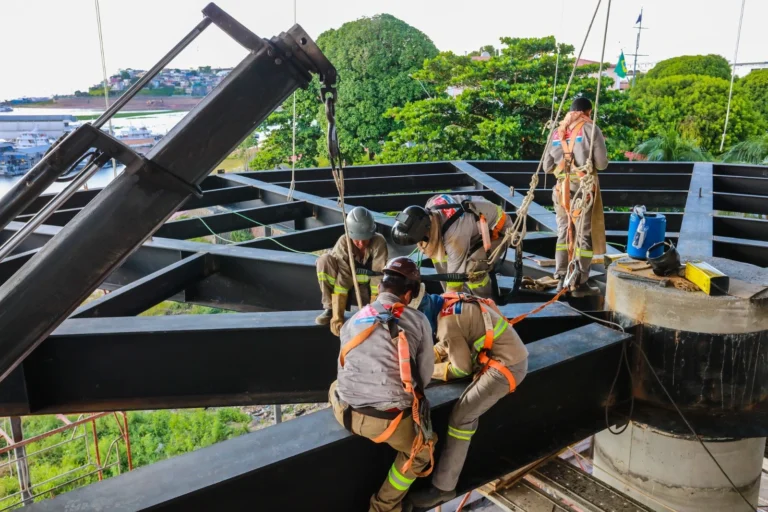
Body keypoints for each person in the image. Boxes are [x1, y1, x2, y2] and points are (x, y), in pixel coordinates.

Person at [329, 257, 436, 512]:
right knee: (421, 453)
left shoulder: (354, 320)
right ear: (408, 295)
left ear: (379, 289)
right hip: (386, 423)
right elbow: (424, 377)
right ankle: (383, 506)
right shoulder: (418, 321)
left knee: (335, 385)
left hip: (343, 412)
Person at [406, 292, 528, 509]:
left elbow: (461, 368)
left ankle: (443, 489)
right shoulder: (448, 304)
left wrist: (426, 370)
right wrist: (422, 358)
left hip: (507, 366)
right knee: (466, 411)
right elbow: (449, 344)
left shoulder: (447, 324)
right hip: (505, 355)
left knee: (460, 417)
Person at [543, 97, 609, 297]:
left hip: (561, 191)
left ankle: (561, 275)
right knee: (582, 237)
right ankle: (579, 281)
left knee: (563, 232)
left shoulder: (556, 132)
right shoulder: (591, 129)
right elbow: (602, 164)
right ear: (587, 112)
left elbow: (547, 168)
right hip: (582, 192)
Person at [391, 194, 512, 299]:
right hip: (472, 228)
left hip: (497, 230)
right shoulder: (430, 205)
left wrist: (450, 299)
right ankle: (462, 301)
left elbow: (455, 280)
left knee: (473, 270)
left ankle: (486, 303)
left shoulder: (454, 238)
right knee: (437, 254)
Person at [316, 206, 388, 335]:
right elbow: (343, 279)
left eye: (364, 239)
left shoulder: (379, 242)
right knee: (324, 260)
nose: (361, 243)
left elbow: (377, 278)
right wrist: (338, 317)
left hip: (366, 292)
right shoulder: (344, 243)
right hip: (344, 290)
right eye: (357, 240)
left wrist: (373, 312)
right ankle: (330, 308)